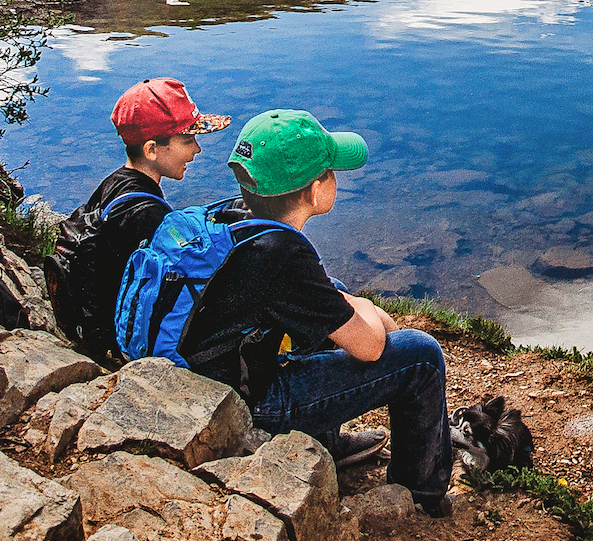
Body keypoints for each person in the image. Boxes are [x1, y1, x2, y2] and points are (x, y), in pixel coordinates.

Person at [182, 108, 452, 514]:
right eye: (330, 172)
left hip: (208, 381)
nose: (335, 178)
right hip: (248, 408)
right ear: (313, 191)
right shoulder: (283, 255)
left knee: (335, 297)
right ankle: (421, 495)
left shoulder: (235, 218)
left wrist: (347, 304)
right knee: (421, 355)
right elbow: (372, 348)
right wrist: (365, 308)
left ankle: (325, 445)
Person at [49, 78, 227, 365]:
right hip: (118, 342)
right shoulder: (149, 215)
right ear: (152, 149)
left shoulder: (114, 183)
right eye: (187, 140)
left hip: (89, 323)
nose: (197, 149)